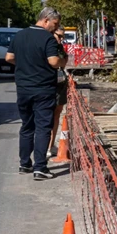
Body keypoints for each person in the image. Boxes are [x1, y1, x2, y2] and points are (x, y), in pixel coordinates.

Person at [6, 7, 67, 180]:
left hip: (23, 88)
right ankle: (40, 167)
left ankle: (24, 164)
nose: (55, 28)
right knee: (43, 127)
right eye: (55, 24)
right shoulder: (47, 38)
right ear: (46, 20)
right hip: (43, 89)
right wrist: (63, 60)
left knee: (26, 126)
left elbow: (9, 58)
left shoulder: (19, 35)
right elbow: (53, 61)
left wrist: (25, 64)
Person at [48, 26, 69, 159]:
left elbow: (63, 62)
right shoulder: (46, 45)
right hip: (47, 85)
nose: (61, 39)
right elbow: (56, 63)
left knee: (56, 115)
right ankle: (44, 146)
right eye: (59, 36)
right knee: (45, 116)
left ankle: (50, 145)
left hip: (59, 84)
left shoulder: (59, 48)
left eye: (63, 37)